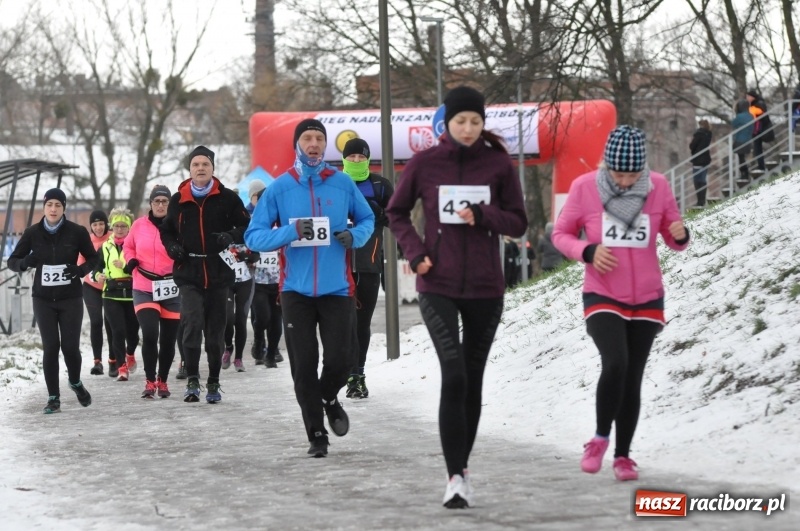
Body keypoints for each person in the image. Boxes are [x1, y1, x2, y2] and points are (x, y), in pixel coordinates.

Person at [386, 86, 527, 508]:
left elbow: (518, 223)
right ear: (446, 122)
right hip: (438, 283)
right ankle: (454, 477)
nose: (468, 128)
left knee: (473, 377)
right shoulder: (426, 163)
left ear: (484, 124)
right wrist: (415, 251)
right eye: (461, 121)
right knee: (455, 373)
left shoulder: (498, 164)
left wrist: (484, 215)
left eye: (475, 121)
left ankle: (463, 468)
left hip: (486, 286)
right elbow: (395, 212)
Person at [551, 125, 690, 482]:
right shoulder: (585, 188)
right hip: (602, 293)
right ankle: (599, 438)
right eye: (618, 173)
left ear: (643, 168)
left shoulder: (657, 186)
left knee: (632, 378)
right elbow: (560, 234)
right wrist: (588, 251)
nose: (626, 181)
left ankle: (624, 457)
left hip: (647, 297)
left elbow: (673, 234)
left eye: (633, 174)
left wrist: (680, 234)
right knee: (615, 362)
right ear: (606, 166)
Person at [245, 119, 375, 458]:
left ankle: (329, 396)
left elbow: (367, 220)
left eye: (319, 138)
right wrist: (290, 232)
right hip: (295, 291)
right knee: (303, 365)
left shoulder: (343, 184)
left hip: (337, 289)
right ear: (297, 144)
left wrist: (355, 236)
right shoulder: (279, 189)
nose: (314, 143)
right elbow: (254, 237)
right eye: (307, 138)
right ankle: (316, 434)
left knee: (342, 359)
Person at [159, 145, 251, 403]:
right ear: (189, 170)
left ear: (212, 168)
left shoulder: (228, 198)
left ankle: (213, 381)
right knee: (192, 325)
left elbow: (246, 225)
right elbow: (165, 231)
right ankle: (192, 380)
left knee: (215, 332)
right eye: (196, 164)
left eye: (205, 164)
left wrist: (229, 236)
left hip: (219, 273)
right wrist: (172, 246)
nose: (201, 168)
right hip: (189, 273)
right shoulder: (179, 200)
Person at [7, 188, 97, 413]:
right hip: (43, 299)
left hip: (70, 298)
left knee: (70, 347)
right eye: (49, 205)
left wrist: (80, 270)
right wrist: (26, 262)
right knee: (50, 347)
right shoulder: (32, 233)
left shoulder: (77, 232)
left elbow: (95, 258)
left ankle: (75, 382)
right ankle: (53, 398)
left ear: (64, 208)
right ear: (44, 207)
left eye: (58, 205)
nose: (53, 209)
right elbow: (13, 261)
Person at [340, 137, 394, 400]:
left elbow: (398, 216)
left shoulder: (380, 185)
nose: (357, 161)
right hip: (335, 266)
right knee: (340, 323)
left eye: (362, 157)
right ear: (344, 160)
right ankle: (340, 372)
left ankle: (357, 375)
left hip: (368, 265)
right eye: (352, 157)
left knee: (361, 324)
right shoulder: (333, 183)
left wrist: (382, 214)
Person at [124, 185, 180, 399]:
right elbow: (128, 247)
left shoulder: (177, 226)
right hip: (144, 285)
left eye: (165, 201)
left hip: (171, 287)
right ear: (150, 204)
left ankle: (163, 381)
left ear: (170, 204)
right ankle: (149, 381)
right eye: (156, 201)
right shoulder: (139, 226)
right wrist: (131, 260)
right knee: (149, 333)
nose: (160, 205)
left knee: (168, 339)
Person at [92, 207, 140, 382]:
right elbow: (96, 267)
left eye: (123, 226)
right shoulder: (105, 247)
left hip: (133, 293)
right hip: (111, 294)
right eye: (117, 226)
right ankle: (121, 367)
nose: (120, 229)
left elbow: (140, 266)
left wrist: (125, 267)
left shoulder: (135, 245)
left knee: (133, 332)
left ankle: (130, 353)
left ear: (129, 228)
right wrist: (98, 275)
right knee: (117, 331)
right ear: (112, 227)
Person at [247, 183, 284, 368]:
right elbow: (240, 245)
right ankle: (259, 339)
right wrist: (247, 255)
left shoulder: (281, 221)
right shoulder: (251, 222)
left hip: (279, 281)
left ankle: (271, 353)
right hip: (258, 280)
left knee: (277, 321)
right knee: (262, 317)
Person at [80, 209, 113, 375]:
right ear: (91, 226)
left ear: (106, 224)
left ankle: (113, 360)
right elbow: (82, 265)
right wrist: (94, 276)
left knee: (111, 322)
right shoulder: (86, 241)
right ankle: (97, 361)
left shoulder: (113, 238)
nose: (99, 227)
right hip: (91, 286)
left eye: (101, 224)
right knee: (96, 321)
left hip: (111, 286)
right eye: (95, 224)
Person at [745, 89, 774, 171]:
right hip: (757, 129)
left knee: (758, 148)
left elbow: (760, 114)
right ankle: (760, 165)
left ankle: (761, 166)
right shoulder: (754, 104)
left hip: (759, 128)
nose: (747, 98)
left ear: (752, 97)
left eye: (748, 96)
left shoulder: (758, 104)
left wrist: (750, 110)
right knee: (757, 148)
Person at [689, 119, 712, 207]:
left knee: (697, 180)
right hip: (706, 159)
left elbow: (692, 146)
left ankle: (700, 201)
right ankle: (702, 200)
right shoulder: (708, 133)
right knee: (702, 179)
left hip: (698, 159)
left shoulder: (699, 134)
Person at [732, 99, 755, 182]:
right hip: (748, 139)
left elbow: (733, 123)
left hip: (740, 140)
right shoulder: (750, 116)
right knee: (743, 158)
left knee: (741, 158)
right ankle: (745, 173)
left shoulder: (739, 117)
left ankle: (744, 174)